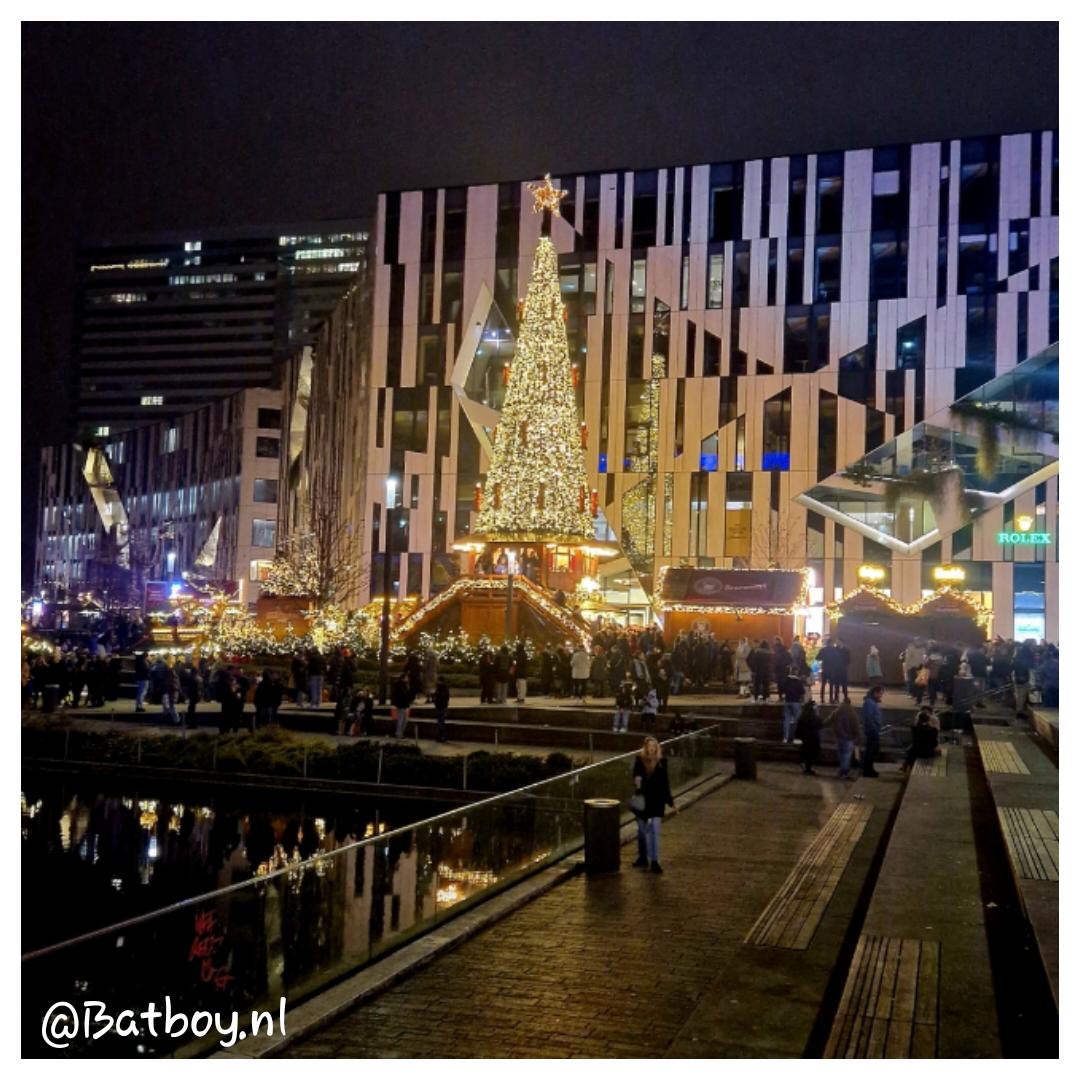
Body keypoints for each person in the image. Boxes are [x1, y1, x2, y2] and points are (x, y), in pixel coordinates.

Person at [631, 736, 676, 873]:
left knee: (654, 830)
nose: (652, 749)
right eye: (649, 746)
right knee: (642, 831)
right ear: (645, 747)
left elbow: (665, 783)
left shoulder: (662, 762)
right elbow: (636, 776)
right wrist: (638, 786)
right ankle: (643, 857)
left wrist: (671, 802)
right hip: (643, 800)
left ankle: (655, 861)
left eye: (654, 746)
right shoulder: (639, 760)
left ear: (657, 748)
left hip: (657, 800)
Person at [831, 695, 861, 780]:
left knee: (841, 755)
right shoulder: (852, 713)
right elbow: (856, 727)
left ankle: (841, 771)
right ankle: (844, 773)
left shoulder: (837, 711)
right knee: (846, 756)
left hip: (838, 737)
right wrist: (857, 737)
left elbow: (828, 720)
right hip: (848, 738)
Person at [902, 706, 940, 772]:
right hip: (928, 752)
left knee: (911, 751)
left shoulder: (914, 728)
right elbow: (935, 742)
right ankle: (907, 767)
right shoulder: (934, 730)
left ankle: (906, 767)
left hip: (916, 751)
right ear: (928, 719)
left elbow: (915, 739)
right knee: (912, 750)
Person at [861, 684, 884, 778]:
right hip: (872, 730)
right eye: (880, 694)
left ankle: (869, 768)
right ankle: (867, 769)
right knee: (871, 751)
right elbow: (868, 717)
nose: (881, 696)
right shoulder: (869, 703)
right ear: (875, 693)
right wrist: (874, 728)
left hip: (874, 729)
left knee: (872, 750)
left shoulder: (871, 702)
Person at [795, 699, 822, 775]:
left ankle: (806, 767)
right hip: (813, 738)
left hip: (805, 738)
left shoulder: (802, 716)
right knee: (812, 754)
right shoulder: (814, 717)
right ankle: (808, 768)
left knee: (806, 753)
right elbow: (820, 724)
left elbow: (798, 728)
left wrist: (797, 737)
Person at [780, 665, 805, 743]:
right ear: (796, 671)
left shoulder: (786, 680)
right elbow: (802, 691)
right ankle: (796, 738)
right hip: (796, 702)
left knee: (786, 720)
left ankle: (785, 738)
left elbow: (782, 688)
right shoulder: (798, 681)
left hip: (787, 702)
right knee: (797, 721)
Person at [392, 671, 414, 738]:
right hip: (401, 705)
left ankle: (401, 733)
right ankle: (398, 733)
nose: (408, 679)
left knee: (404, 720)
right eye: (407, 677)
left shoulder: (405, 685)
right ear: (403, 678)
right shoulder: (400, 685)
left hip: (405, 705)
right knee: (401, 720)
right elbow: (404, 695)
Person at [161, 660, 181, 726]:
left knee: (169, 707)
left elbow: (170, 686)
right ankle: (175, 720)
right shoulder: (174, 676)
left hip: (170, 694)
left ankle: (175, 720)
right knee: (169, 707)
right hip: (171, 694)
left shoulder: (170, 677)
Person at [433, 677, 450, 742]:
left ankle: (442, 735)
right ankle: (440, 736)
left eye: (438, 681)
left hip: (442, 706)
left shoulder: (443, 688)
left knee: (440, 722)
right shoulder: (439, 687)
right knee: (440, 722)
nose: (437, 682)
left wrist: (436, 698)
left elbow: (444, 697)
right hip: (439, 706)